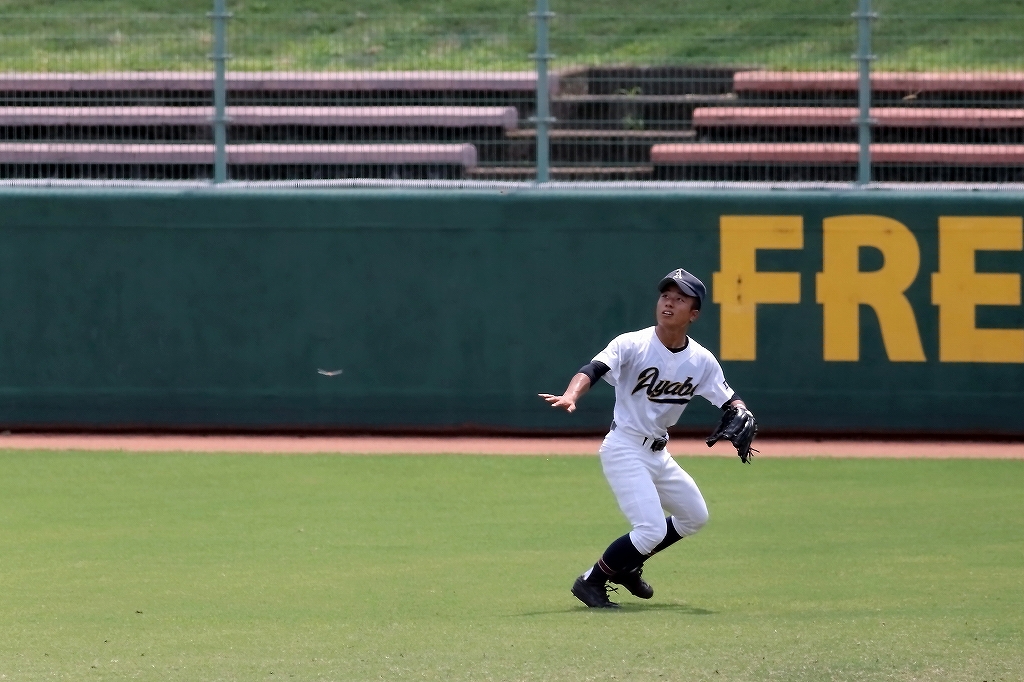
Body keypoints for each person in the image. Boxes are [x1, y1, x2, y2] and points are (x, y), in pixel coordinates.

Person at [538, 268, 757, 608]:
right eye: (665, 296)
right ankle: (592, 581)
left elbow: (727, 396)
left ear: (693, 314)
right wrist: (571, 395)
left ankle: (625, 566)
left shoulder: (700, 360)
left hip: (658, 453)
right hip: (624, 447)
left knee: (694, 516)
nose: (669, 303)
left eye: (679, 299)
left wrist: (742, 410)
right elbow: (593, 368)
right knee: (650, 529)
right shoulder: (632, 344)